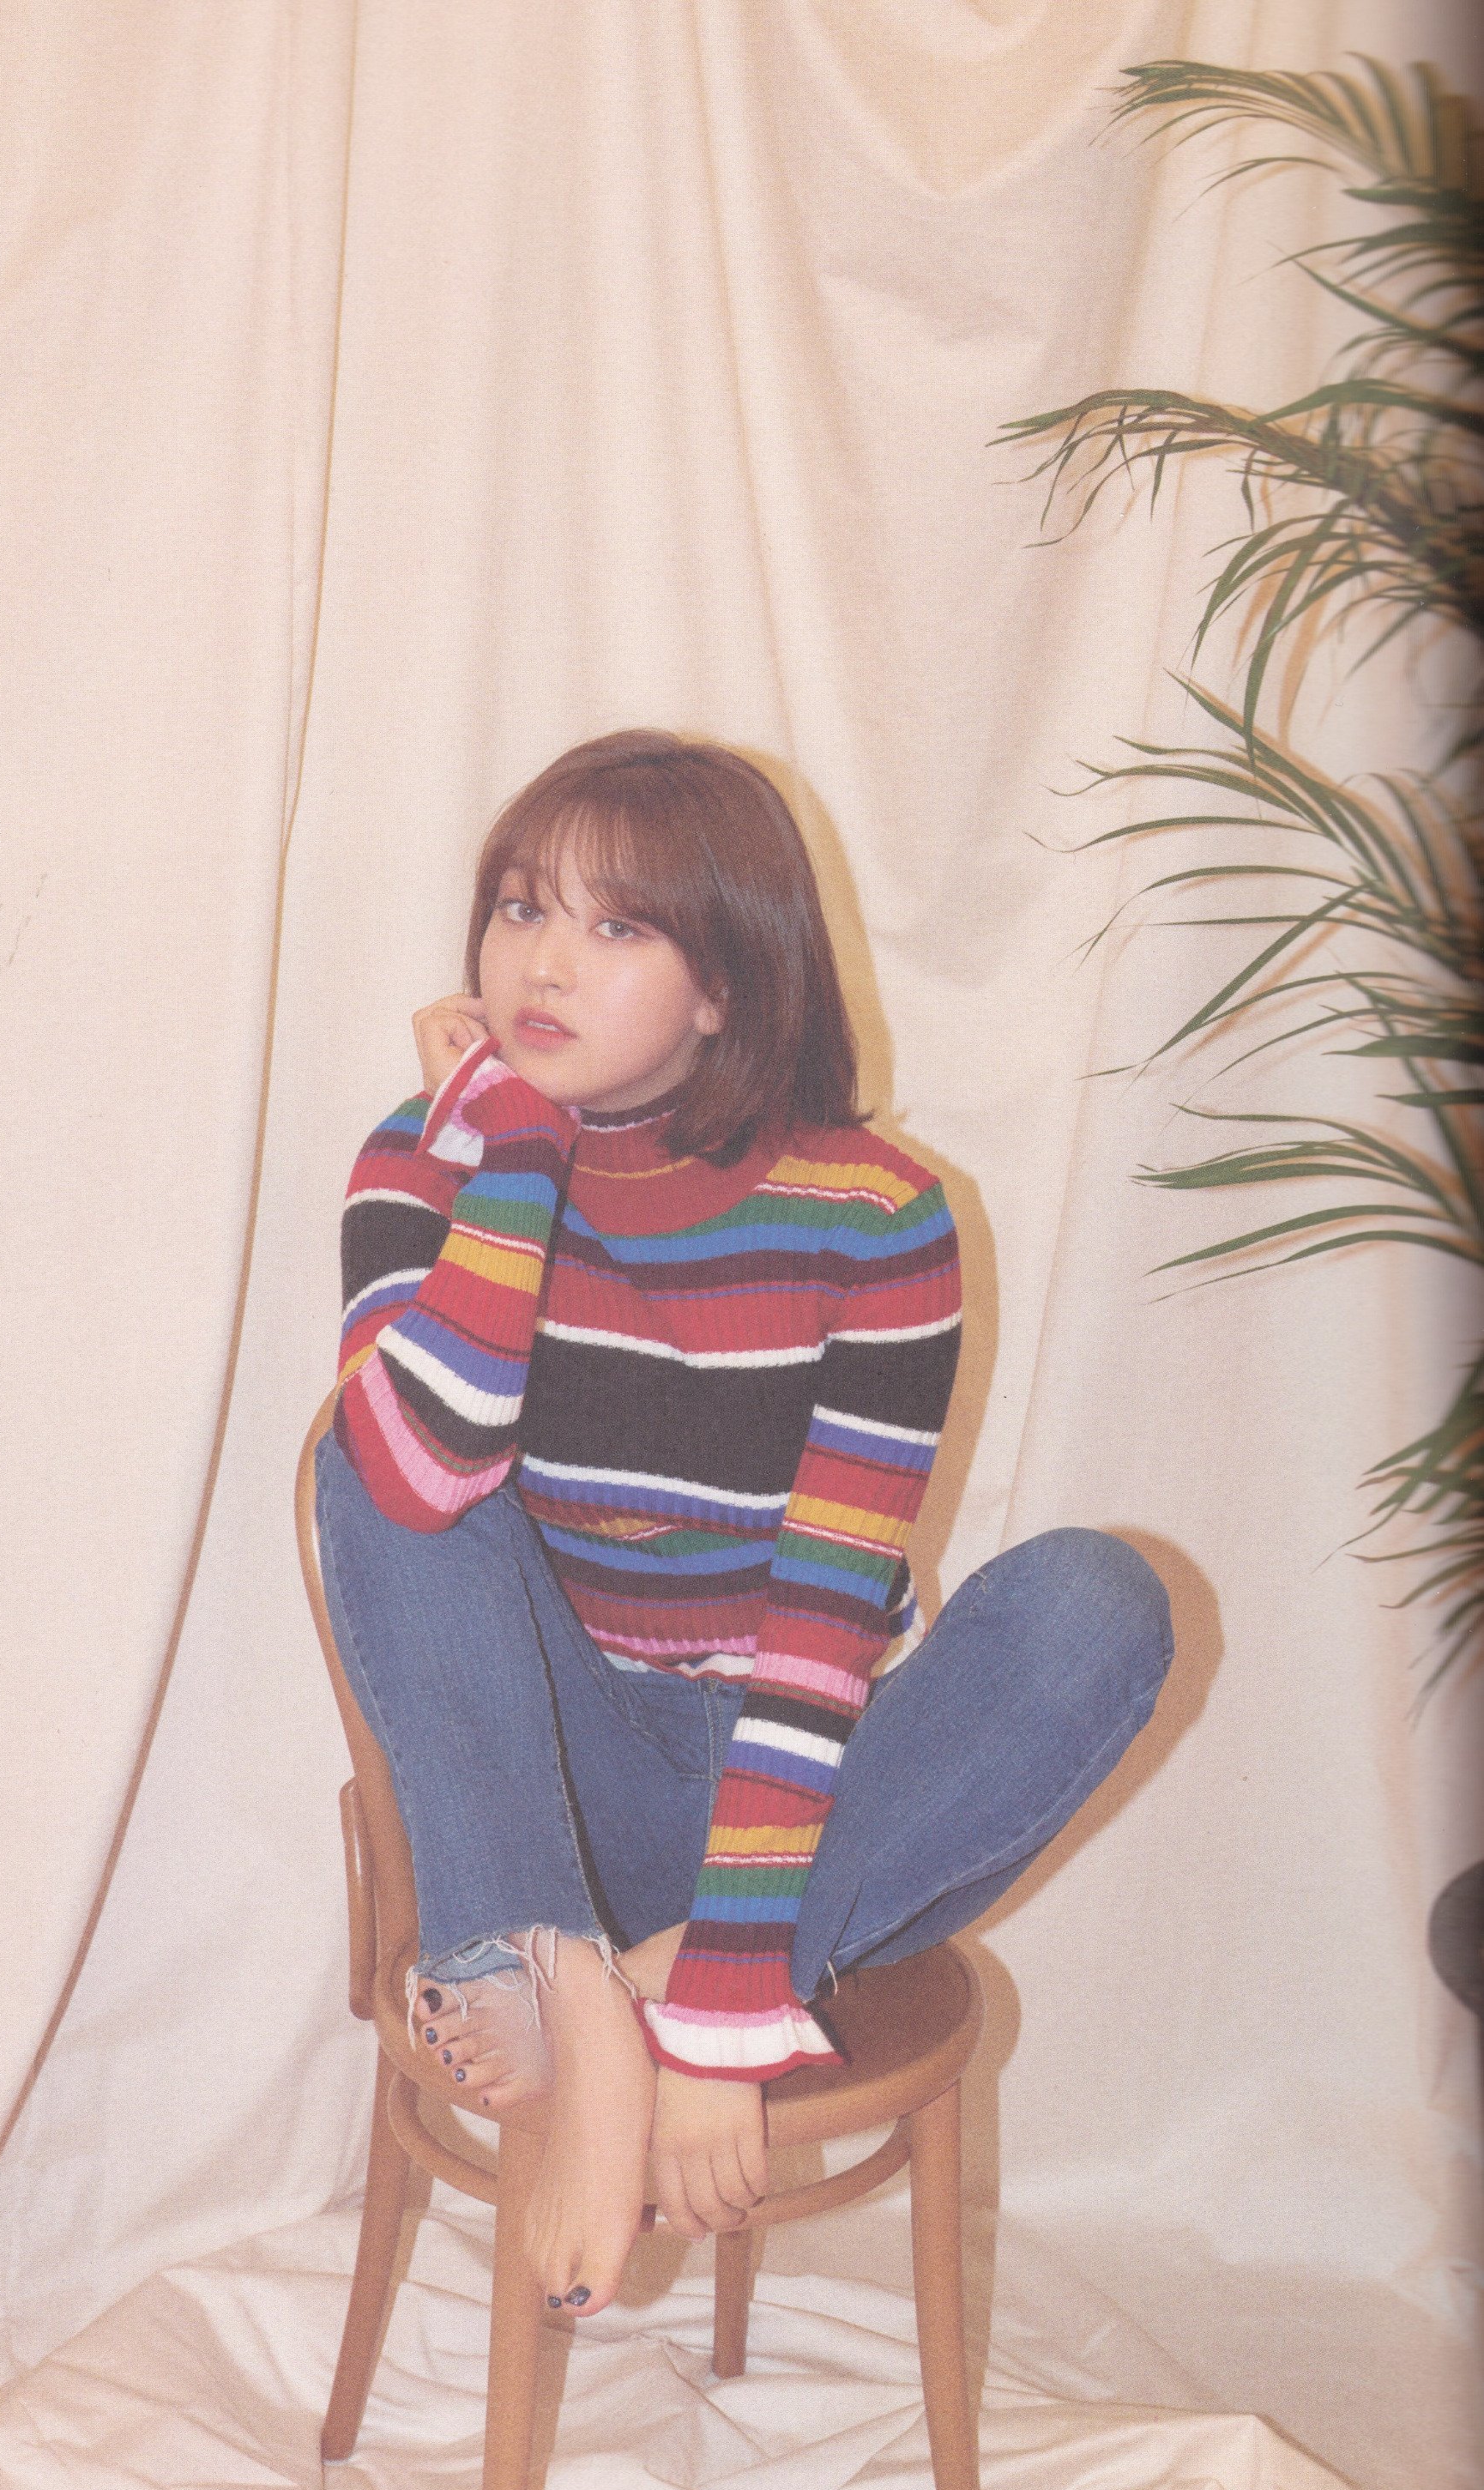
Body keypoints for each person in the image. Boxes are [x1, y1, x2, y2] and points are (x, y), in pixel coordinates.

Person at [317, 731, 1173, 2324]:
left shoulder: (874, 1215)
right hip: (558, 1790)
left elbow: (825, 1625)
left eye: (617, 926)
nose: (542, 963)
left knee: (1099, 1602)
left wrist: (716, 2005)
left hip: (820, 1807)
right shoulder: (424, 1154)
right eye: (520, 907)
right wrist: (513, 1143)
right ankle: (544, 1963)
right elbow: (423, 1484)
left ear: (723, 983)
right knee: (365, 1453)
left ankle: (630, 2000)